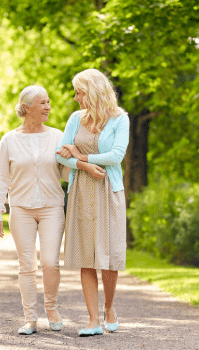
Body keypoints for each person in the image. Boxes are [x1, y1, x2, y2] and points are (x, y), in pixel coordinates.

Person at [56, 69, 129, 336]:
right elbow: (61, 153)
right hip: (81, 191)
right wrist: (81, 165)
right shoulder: (76, 119)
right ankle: (92, 320)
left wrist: (81, 156)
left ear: (94, 91)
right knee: (87, 256)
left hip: (110, 191)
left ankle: (109, 308)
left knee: (108, 257)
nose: (75, 98)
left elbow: (116, 156)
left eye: (79, 92)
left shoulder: (121, 119)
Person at [0, 85, 65, 335]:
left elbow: (65, 174)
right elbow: (1, 178)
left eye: (48, 102)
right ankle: (30, 319)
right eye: (43, 103)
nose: (48, 107)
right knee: (26, 266)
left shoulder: (57, 136)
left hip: (52, 207)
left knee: (50, 262)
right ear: (27, 108)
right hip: (20, 208)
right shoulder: (9, 140)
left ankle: (52, 307)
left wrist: (71, 158)